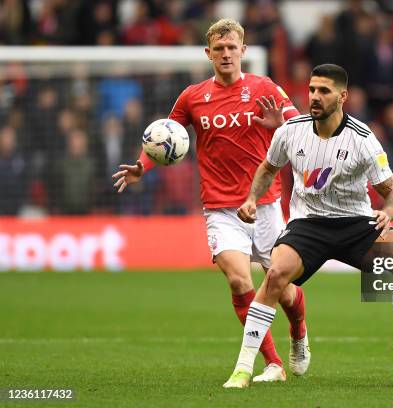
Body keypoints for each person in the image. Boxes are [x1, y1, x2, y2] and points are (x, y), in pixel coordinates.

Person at [112, 19, 309, 382]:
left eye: (232, 47)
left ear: (243, 51)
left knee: (281, 288)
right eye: (219, 49)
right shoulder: (192, 96)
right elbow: (164, 138)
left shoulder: (264, 88)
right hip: (221, 207)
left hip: (264, 203)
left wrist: (277, 125)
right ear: (208, 54)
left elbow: (302, 128)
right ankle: (273, 363)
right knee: (238, 280)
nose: (226, 54)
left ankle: (299, 333)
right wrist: (142, 165)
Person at [223, 64, 393, 388]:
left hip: (356, 223)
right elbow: (267, 168)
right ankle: (243, 368)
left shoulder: (363, 139)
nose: (315, 97)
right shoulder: (291, 130)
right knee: (276, 274)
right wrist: (252, 198)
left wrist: (389, 213)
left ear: (343, 96)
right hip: (309, 223)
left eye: (324, 91)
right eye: (312, 90)